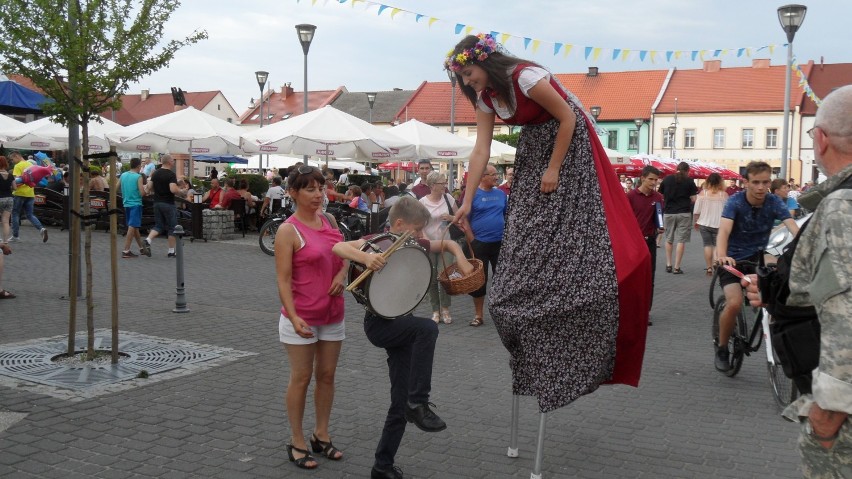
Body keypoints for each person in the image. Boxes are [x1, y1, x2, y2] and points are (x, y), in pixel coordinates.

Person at [447, 33, 650, 414]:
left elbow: (569, 116)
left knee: (568, 225)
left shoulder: (525, 77)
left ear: (486, 63)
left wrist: (554, 168)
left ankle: (579, 294)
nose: (468, 82)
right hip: (534, 148)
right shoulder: (487, 96)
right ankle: (531, 306)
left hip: (568, 145)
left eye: (471, 74)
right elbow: (481, 149)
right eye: (463, 78)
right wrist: (467, 200)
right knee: (526, 229)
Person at [743, 85, 852, 477]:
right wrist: (778, 292)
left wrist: (830, 409)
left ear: (821, 140)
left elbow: (848, 309)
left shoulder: (843, 204)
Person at [332, 195, 473, 479]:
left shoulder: (411, 243)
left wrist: (460, 257)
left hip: (403, 327)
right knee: (429, 328)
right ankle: (418, 402)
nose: (422, 236)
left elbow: (447, 242)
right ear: (398, 224)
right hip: (380, 324)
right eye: (418, 229)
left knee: (398, 403)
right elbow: (338, 246)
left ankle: (382, 466)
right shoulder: (378, 240)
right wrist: (366, 257)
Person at [274, 165, 347, 471]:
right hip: (301, 316)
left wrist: (343, 274)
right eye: (310, 189)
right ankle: (296, 439)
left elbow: (345, 255)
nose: (319, 195)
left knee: (327, 375)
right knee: (301, 378)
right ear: (293, 193)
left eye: (321, 188)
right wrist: (293, 316)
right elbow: (283, 280)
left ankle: (322, 433)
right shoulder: (288, 230)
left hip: (332, 313)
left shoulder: (329, 221)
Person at [714, 161, 799, 372]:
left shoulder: (773, 202)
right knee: (734, 303)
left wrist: (804, 247)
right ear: (746, 183)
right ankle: (722, 348)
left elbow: (792, 227)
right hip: (733, 260)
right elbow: (724, 231)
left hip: (758, 259)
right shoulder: (735, 202)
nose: (761, 187)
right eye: (756, 182)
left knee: (775, 299)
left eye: (765, 182)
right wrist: (723, 255)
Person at [465, 164, 507, 327]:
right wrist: (472, 240)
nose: (497, 177)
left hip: (499, 243)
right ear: (482, 176)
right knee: (479, 281)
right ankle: (478, 315)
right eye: (493, 174)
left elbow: (506, 215)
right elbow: (464, 220)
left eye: (497, 174)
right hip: (480, 243)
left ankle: (501, 314)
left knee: (502, 280)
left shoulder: (501, 194)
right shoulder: (472, 194)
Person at [419, 171, 457, 324]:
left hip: (445, 244)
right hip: (429, 244)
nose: (445, 185)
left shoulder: (448, 198)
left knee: (445, 277)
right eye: (442, 183)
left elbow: (460, 217)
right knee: (432, 278)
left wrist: (452, 218)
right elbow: (418, 223)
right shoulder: (422, 202)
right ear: (433, 185)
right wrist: (425, 238)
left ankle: (446, 308)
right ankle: (435, 310)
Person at [627, 166, 664, 315]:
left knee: (649, 277)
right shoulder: (631, 196)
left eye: (656, 180)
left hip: (650, 241)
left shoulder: (658, 197)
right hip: (633, 243)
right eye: (650, 179)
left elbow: (659, 216)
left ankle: (645, 312)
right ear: (642, 178)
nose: (653, 182)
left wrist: (660, 225)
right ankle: (630, 309)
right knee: (633, 277)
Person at [658, 161, 697, 274]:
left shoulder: (667, 179)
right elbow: (694, 199)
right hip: (684, 213)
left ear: (677, 169)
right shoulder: (689, 181)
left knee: (669, 239)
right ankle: (676, 267)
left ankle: (668, 264)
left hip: (669, 212)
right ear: (687, 171)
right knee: (681, 240)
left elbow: (661, 195)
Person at [142, 154, 181, 258]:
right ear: (168, 162)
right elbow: (173, 189)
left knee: (159, 225)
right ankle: (171, 251)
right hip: (168, 203)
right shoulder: (171, 174)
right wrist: (181, 191)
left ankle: (148, 240)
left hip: (157, 203)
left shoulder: (155, 173)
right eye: (172, 161)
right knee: (172, 227)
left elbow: (149, 187)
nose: (173, 162)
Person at [693, 173, 729, 276]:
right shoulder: (724, 195)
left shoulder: (702, 194)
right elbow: (728, 211)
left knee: (707, 245)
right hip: (719, 224)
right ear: (720, 182)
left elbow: (696, 211)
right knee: (717, 245)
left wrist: (696, 221)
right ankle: (715, 263)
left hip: (704, 223)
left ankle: (709, 267)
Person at [9, 152, 48, 243]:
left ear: (17, 156)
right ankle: (41, 229)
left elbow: (16, 181)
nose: (12, 161)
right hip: (30, 193)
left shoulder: (18, 166)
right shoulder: (31, 165)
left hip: (19, 193)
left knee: (15, 213)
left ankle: (15, 236)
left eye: (12, 159)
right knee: (30, 214)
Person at [119, 158, 149, 259]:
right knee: (132, 226)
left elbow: (115, 187)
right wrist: (146, 190)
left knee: (134, 226)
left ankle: (141, 248)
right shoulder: (138, 177)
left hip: (126, 203)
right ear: (138, 166)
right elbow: (141, 193)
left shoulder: (123, 175)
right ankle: (126, 250)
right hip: (136, 204)